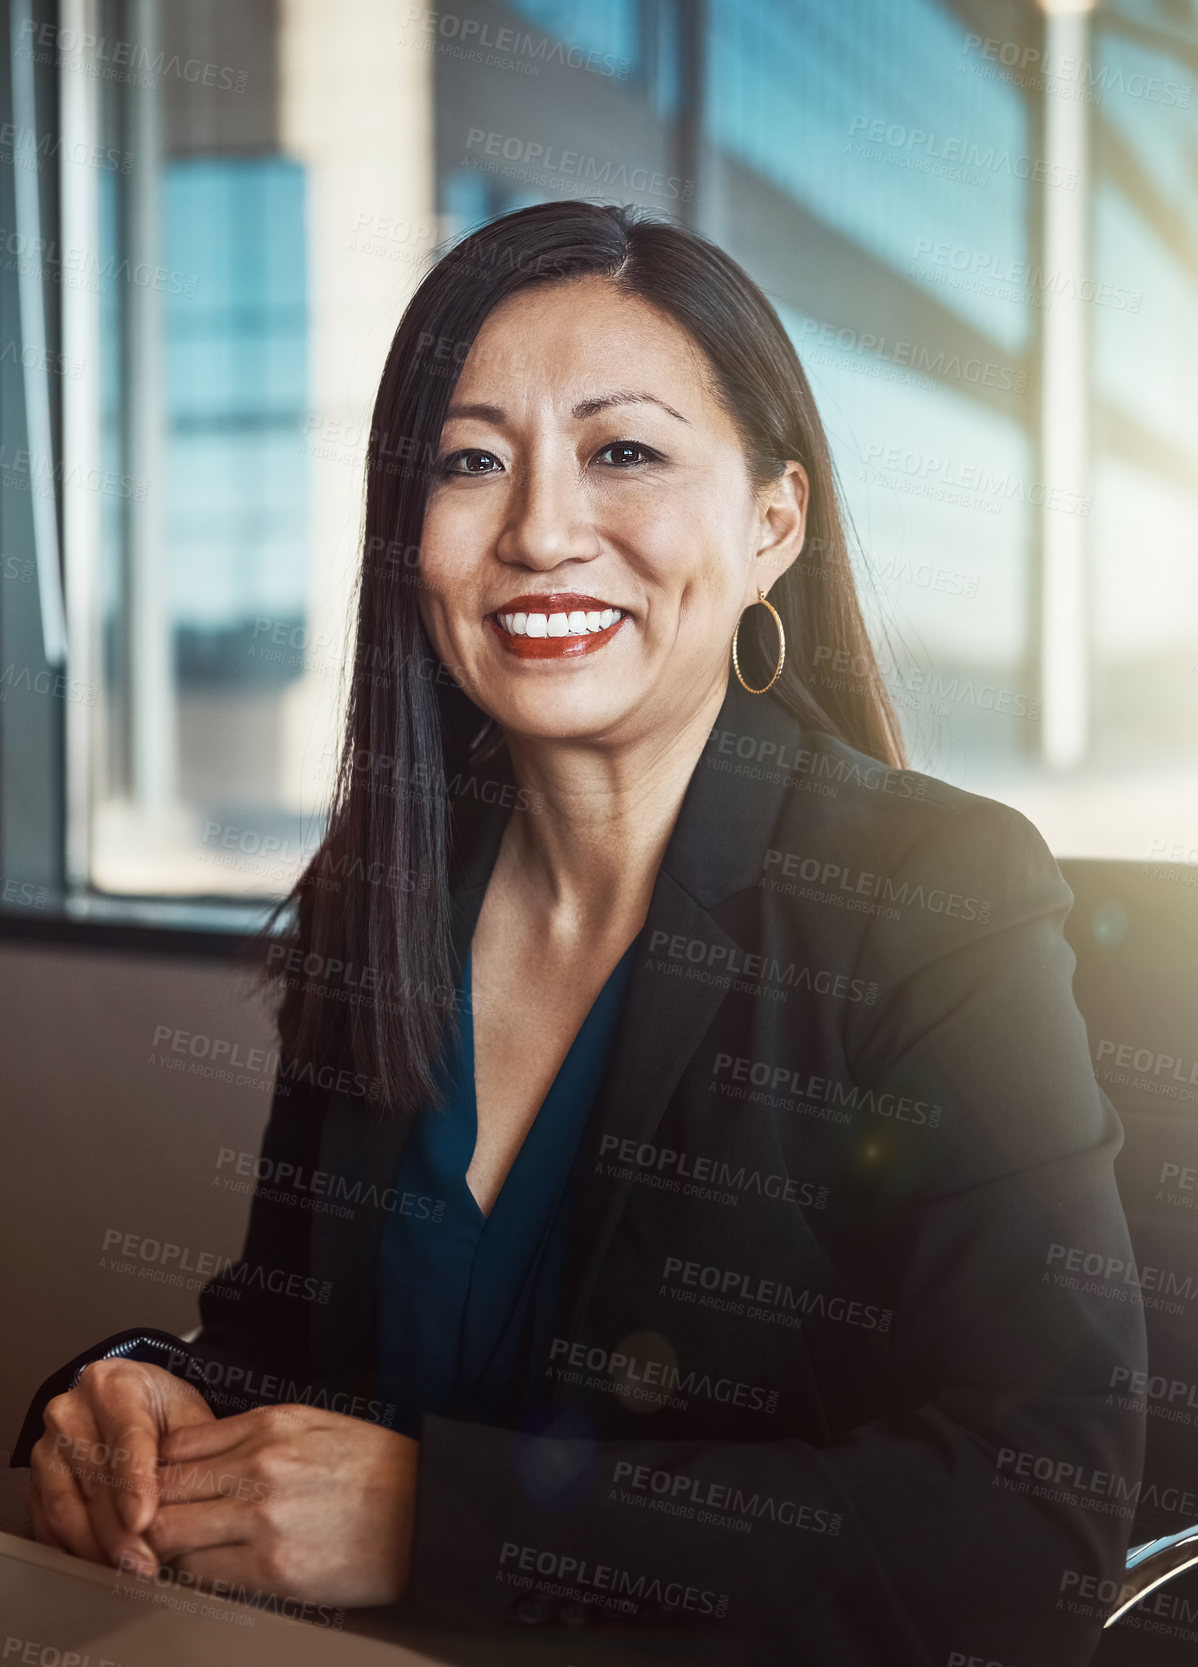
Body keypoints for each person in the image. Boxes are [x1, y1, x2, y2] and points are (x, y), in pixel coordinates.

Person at [14, 201, 1145, 1664]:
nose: (541, 530)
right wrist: (131, 1393)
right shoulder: (388, 895)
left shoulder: (936, 894)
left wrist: (447, 1519)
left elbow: (1027, 1526)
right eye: (470, 463)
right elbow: (284, 1354)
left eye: (624, 453)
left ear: (769, 525)